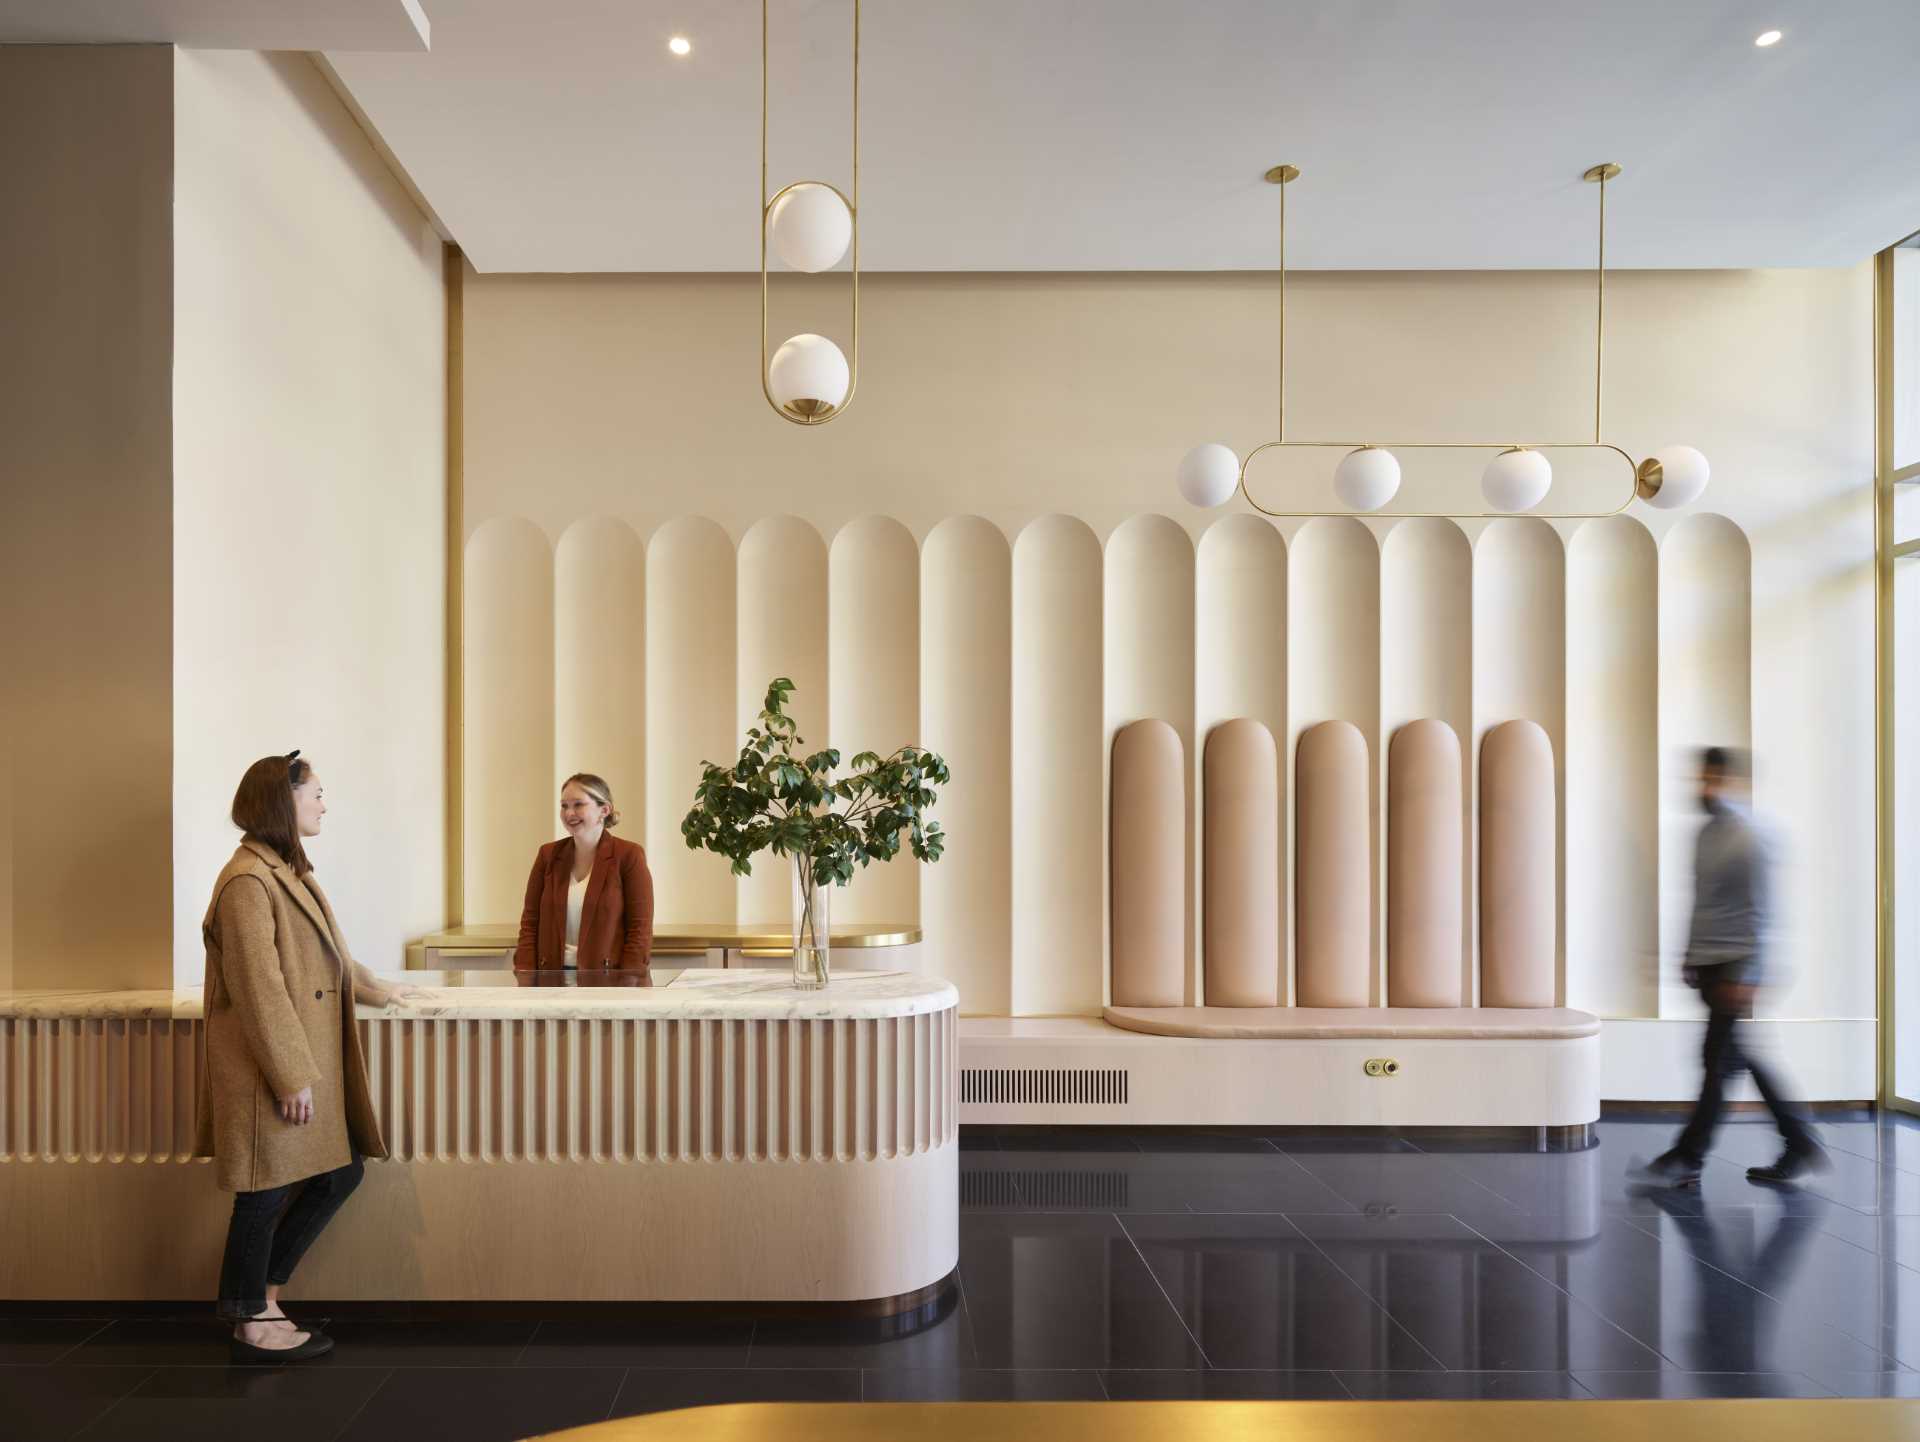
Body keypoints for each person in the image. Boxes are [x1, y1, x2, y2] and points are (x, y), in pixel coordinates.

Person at [195, 752, 422, 1361]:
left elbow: (332, 958)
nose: (324, 803)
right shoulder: (248, 879)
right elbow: (258, 988)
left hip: (297, 1059)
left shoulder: (286, 871)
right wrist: (290, 1076)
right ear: (282, 801)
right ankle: (249, 1318)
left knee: (338, 1172)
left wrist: (380, 989)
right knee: (263, 1188)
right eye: (316, 793)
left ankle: (263, 1295)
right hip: (267, 1068)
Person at [1635, 747, 1824, 1188]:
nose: (1705, 787)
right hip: (1711, 963)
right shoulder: (1705, 835)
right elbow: (1704, 901)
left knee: (1717, 1062)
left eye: (1715, 779)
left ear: (1735, 783)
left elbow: (1764, 911)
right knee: (1735, 1057)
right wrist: (1690, 953)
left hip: (1737, 966)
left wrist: (1749, 975)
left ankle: (1688, 1157)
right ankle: (1800, 1141)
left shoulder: (1752, 835)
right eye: (1702, 778)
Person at [514, 772, 654, 985]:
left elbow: (639, 928)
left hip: (609, 984)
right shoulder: (548, 855)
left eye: (578, 804)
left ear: (604, 810)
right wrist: (524, 976)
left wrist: (629, 983)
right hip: (550, 981)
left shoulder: (629, 855)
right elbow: (529, 924)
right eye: (564, 806)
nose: (569, 813)